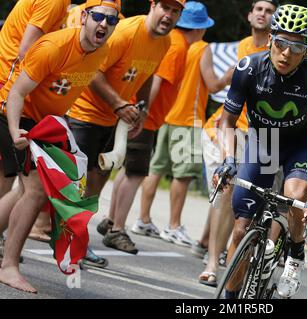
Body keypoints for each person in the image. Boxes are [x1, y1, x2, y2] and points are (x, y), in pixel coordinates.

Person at [215, 5, 307, 299]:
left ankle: (295, 253)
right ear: (270, 39)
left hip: (299, 145)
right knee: (240, 227)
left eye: (296, 47)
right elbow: (227, 121)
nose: (286, 53)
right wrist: (228, 161)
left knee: (296, 197)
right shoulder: (249, 68)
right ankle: (231, 299)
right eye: (281, 42)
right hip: (263, 143)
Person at [0, 0, 120, 293]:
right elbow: (17, 93)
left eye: (111, 20)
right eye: (98, 17)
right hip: (12, 111)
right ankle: (9, 266)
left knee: (25, 192)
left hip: (44, 122)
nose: (103, 24)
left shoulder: (100, 52)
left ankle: (8, 262)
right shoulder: (53, 47)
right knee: (36, 190)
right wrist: (16, 131)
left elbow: (64, 90)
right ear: (83, 18)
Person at [67, 0, 185, 255]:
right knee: (74, 182)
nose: (169, 15)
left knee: (97, 183)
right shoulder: (125, 32)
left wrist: (141, 110)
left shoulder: (165, 42)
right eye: (166, 7)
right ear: (152, 5)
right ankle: (59, 235)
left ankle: (77, 239)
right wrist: (120, 104)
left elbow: (147, 74)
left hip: (111, 121)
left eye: (176, 11)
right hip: (83, 114)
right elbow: (92, 72)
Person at [96, 1, 207, 250]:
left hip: (144, 115)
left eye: (175, 12)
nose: (169, 16)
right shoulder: (177, 46)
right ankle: (117, 228)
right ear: (199, 29)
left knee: (128, 170)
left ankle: (113, 219)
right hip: (141, 116)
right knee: (135, 173)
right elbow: (155, 80)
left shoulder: (170, 42)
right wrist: (141, 112)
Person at [195, 0, 278, 287]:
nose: (263, 14)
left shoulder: (279, 51)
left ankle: (218, 249)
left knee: (241, 202)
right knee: (224, 191)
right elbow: (220, 84)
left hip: (261, 135)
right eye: (259, 9)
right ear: (250, 15)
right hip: (226, 128)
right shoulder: (244, 46)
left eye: (269, 11)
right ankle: (211, 261)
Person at [0, 0, 71, 243]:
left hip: (9, 83)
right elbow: (27, 50)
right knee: (8, 174)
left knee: (14, 177)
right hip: (7, 86)